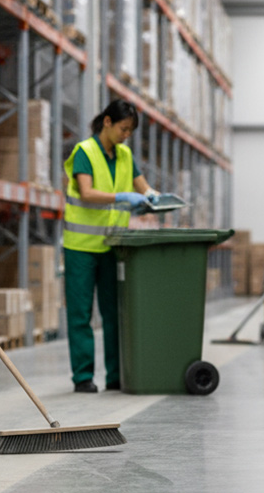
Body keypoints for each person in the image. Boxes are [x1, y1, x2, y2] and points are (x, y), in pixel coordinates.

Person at [63, 99, 159, 393]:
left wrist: (153, 197)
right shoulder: (85, 152)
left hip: (113, 245)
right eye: (123, 128)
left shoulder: (125, 155)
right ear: (107, 122)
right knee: (80, 314)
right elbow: (87, 192)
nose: (126, 135)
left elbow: (142, 185)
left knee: (114, 313)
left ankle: (115, 375)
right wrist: (121, 197)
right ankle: (83, 377)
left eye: (130, 131)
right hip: (81, 246)